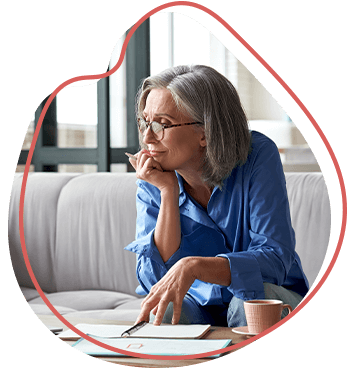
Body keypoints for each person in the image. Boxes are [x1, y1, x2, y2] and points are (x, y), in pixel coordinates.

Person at [124, 65, 309, 327]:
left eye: (162, 124)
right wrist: (167, 192)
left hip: (267, 295)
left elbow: (275, 258)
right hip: (200, 304)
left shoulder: (258, 155)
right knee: (162, 311)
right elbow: (154, 280)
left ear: (205, 132)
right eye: (145, 121)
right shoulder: (154, 172)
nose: (147, 137)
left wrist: (195, 266)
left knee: (247, 305)